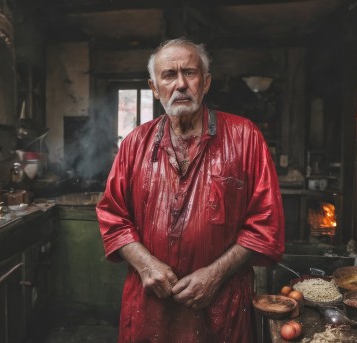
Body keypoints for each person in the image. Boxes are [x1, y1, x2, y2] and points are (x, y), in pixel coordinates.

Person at [96, 38, 285, 342]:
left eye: (190, 73)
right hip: (150, 307)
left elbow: (265, 225)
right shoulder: (134, 144)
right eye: (169, 75)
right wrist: (145, 264)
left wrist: (215, 274)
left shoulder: (245, 137)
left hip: (222, 305)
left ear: (206, 82)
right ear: (154, 87)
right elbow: (112, 216)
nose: (181, 84)